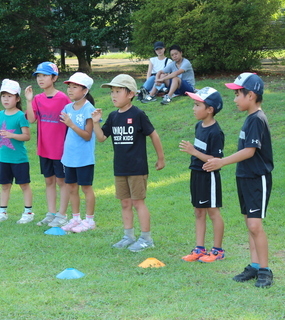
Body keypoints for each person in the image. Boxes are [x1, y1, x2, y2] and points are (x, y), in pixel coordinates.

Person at [203, 73, 274, 288]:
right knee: (249, 224)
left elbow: (250, 151)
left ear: (250, 95)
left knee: (255, 225)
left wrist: (221, 162)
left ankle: (265, 270)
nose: (234, 99)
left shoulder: (257, 119)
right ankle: (254, 266)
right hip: (244, 176)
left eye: (237, 94)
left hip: (256, 178)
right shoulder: (250, 117)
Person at [92, 74, 165, 252]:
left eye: (118, 91)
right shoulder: (113, 116)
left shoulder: (138, 114)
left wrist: (160, 158)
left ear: (131, 94)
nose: (113, 95)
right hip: (120, 167)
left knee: (137, 202)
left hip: (137, 167)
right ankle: (128, 236)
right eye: (112, 92)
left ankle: (146, 239)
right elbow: (101, 138)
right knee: (124, 203)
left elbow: (153, 135)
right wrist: (95, 123)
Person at [179, 87, 225, 263]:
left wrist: (193, 151)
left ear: (210, 109)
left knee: (213, 212)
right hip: (196, 173)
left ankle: (218, 250)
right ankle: (199, 248)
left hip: (209, 176)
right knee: (198, 211)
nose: (193, 108)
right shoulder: (199, 125)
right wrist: (195, 153)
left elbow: (216, 159)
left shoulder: (216, 132)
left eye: (197, 105)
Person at [25, 61, 71, 227]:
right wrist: (29, 101)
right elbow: (31, 119)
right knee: (49, 181)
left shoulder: (63, 99)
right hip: (44, 148)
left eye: (44, 75)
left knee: (62, 181)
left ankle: (62, 214)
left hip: (60, 149)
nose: (40, 79)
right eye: (38, 76)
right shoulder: (37, 98)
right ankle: (51, 213)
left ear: (54, 77)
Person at [59, 72, 96, 233]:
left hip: (84, 158)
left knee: (86, 188)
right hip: (69, 157)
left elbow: (87, 136)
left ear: (85, 90)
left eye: (75, 87)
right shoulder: (67, 108)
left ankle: (89, 220)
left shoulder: (89, 109)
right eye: (69, 87)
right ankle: (75, 218)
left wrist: (71, 124)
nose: (70, 90)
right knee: (71, 188)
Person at [0, 79, 34, 224]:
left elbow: (27, 136)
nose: (6, 99)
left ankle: (28, 212)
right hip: (3, 158)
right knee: (5, 185)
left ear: (17, 98)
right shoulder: (0, 114)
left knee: (24, 185)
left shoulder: (20, 115)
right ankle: (2, 212)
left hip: (19, 159)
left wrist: (12, 135)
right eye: (3, 96)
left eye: (9, 96)